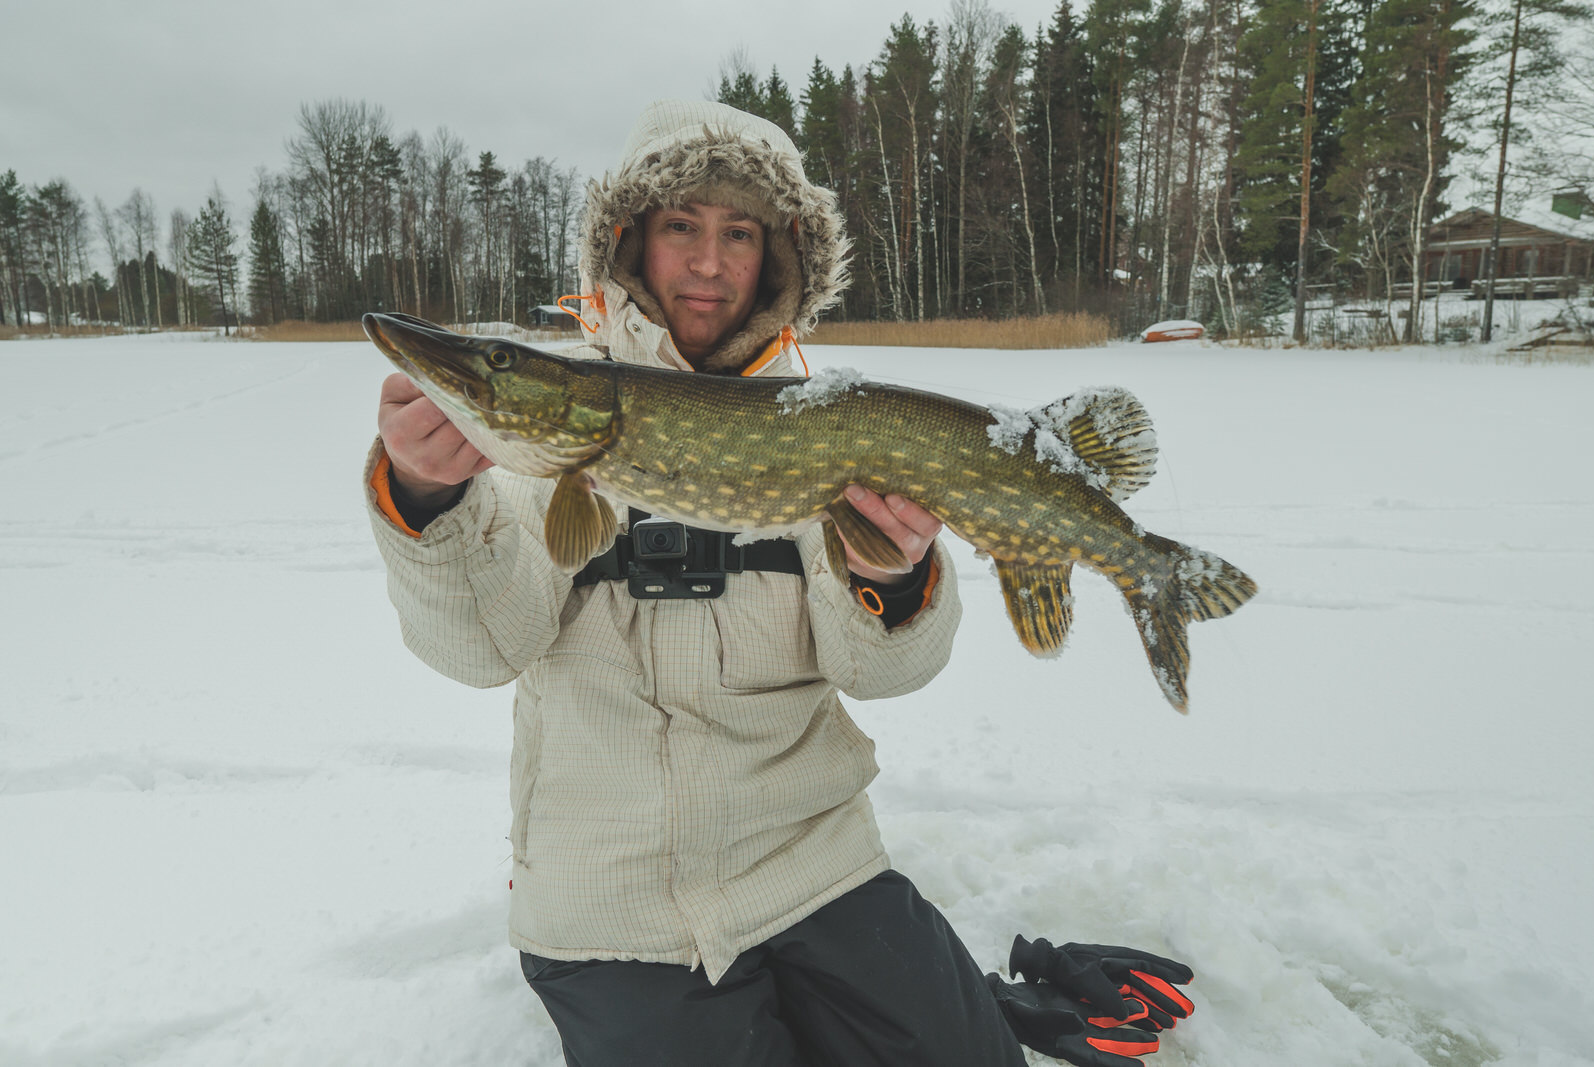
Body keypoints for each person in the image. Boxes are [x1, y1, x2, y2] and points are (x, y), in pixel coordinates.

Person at [364, 99, 1192, 1066]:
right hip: (607, 901)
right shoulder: (524, 459)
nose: (709, 262)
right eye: (681, 225)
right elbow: (479, 649)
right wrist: (427, 497)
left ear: (777, 255)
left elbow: (884, 673)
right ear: (632, 241)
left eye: (739, 233)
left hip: (815, 866)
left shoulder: (824, 420)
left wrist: (897, 570)